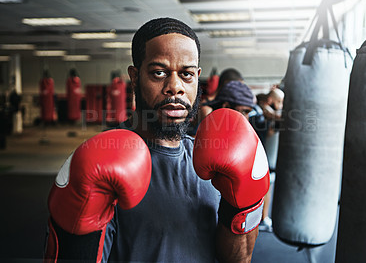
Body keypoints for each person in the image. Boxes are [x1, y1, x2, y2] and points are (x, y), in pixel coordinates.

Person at [44, 17, 269, 263]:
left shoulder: (213, 160)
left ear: (197, 78)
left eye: (187, 74)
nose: (175, 87)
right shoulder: (102, 161)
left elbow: (239, 259)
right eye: (159, 73)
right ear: (134, 77)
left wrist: (238, 208)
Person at [256, 87, 285, 233]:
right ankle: (262, 219)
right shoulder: (260, 112)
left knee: (268, 187)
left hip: (268, 156)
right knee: (265, 188)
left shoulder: (268, 114)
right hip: (258, 156)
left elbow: (271, 131)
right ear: (269, 100)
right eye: (278, 101)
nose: (280, 105)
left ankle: (263, 218)